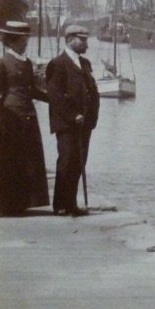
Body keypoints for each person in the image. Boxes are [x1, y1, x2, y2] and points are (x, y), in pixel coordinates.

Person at [0, 21, 50, 216]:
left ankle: (19, 203)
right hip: (7, 119)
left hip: (27, 119)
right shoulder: (0, 63)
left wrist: (53, 99)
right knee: (5, 162)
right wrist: (0, 120)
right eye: (23, 40)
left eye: (26, 39)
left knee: (24, 161)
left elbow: (31, 90)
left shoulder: (27, 63)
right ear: (12, 41)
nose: (25, 43)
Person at [46, 23, 100, 216]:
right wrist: (72, 115)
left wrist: (91, 118)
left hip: (84, 124)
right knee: (67, 162)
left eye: (86, 40)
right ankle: (60, 204)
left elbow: (92, 91)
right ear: (70, 40)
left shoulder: (85, 64)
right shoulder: (58, 64)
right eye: (82, 40)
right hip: (67, 124)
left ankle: (71, 204)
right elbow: (55, 96)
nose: (86, 44)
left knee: (79, 162)